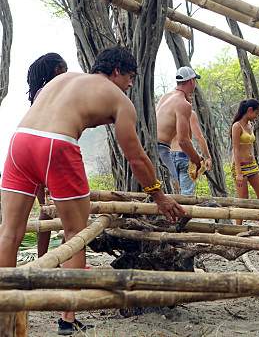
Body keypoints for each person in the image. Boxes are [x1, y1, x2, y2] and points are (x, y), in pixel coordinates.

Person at [0, 46, 185, 335]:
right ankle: (68, 318)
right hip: (57, 145)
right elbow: (135, 157)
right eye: (130, 76)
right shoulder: (119, 99)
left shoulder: (62, 80)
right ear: (116, 71)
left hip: (20, 141)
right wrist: (158, 195)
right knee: (75, 233)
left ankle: (5, 313)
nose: (131, 84)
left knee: (10, 232)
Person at [27, 52, 69, 257]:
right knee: (70, 205)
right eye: (65, 68)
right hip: (51, 151)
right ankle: (67, 256)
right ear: (57, 69)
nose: (67, 73)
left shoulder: (39, 93)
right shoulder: (55, 91)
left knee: (45, 207)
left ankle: (43, 257)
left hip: (31, 152)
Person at [156, 67, 203, 192]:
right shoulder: (183, 104)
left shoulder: (165, 97)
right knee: (176, 194)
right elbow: (184, 141)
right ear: (192, 81)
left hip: (152, 149)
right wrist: (197, 160)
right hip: (162, 150)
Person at [231, 99, 259, 226]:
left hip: (252, 165)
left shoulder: (250, 126)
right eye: (256, 113)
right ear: (249, 110)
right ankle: (238, 229)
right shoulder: (237, 126)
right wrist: (239, 173)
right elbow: (235, 150)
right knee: (243, 200)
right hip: (240, 166)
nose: (256, 117)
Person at [168, 93, 212, 195]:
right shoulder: (190, 114)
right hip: (184, 155)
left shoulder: (167, 113)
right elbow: (199, 137)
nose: (192, 98)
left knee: (172, 193)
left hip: (168, 155)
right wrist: (208, 156)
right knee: (186, 195)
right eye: (190, 95)